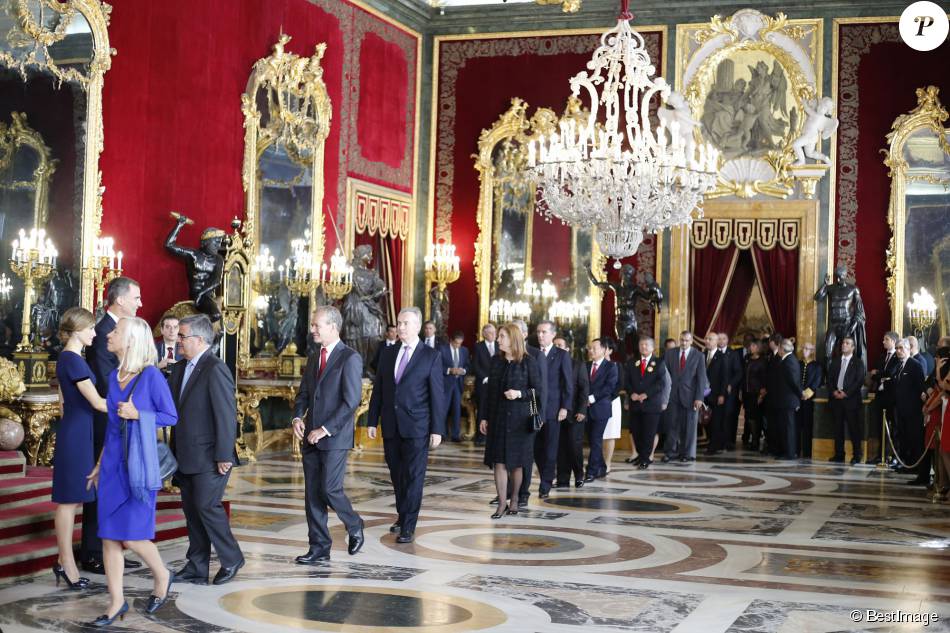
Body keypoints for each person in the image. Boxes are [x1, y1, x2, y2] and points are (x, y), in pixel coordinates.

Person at [84, 317, 177, 625]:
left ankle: (162, 575)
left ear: (132, 340)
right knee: (109, 538)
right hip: (112, 467)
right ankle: (116, 602)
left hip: (139, 466)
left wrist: (140, 414)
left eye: (116, 331)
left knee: (135, 536)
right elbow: (112, 428)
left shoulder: (151, 376)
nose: (109, 334)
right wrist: (99, 465)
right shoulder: (113, 376)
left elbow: (170, 416)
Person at [168, 314, 244, 586]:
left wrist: (224, 454)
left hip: (211, 456)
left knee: (206, 506)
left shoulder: (215, 368)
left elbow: (226, 414)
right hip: (185, 454)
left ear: (199, 340)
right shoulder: (179, 368)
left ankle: (232, 558)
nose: (178, 341)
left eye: (182, 336)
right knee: (192, 510)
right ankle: (197, 565)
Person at [292, 307, 365, 563]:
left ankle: (354, 524)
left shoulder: (350, 358)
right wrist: (298, 417)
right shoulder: (314, 358)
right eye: (312, 325)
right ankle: (319, 547)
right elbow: (303, 394)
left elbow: (351, 401)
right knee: (312, 493)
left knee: (330, 489)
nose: (312, 330)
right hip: (309, 437)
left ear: (333, 327)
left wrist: (324, 430)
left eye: (316, 325)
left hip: (334, 438)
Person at [366, 307, 445, 544]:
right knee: (397, 475)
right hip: (391, 425)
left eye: (405, 323)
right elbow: (379, 389)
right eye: (399, 323)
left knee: (413, 476)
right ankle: (402, 515)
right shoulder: (388, 354)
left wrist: (437, 429)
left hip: (417, 427)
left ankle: (408, 525)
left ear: (417, 326)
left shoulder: (431, 356)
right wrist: (372, 420)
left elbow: (437, 396)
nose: (400, 327)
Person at [81, 277, 143, 575]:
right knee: (100, 486)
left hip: (121, 418)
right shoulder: (103, 332)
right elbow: (109, 382)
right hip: (106, 420)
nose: (139, 303)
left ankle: (113, 549)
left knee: (115, 487)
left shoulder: (124, 330)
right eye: (136, 297)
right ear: (119, 300)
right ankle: (93, 551)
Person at [51, 308, 108, 590]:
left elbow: (63, 404)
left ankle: (64, 561)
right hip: (77, 432)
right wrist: (133, 407)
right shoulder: (72, 360)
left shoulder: (69, 358)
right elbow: (98, 403)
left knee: (73, 499)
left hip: (76, 429)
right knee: (69, 500)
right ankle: (67, 564)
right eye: (91, 329)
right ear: (77, 331)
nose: (94, 334)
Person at [479, 323, 542, 517]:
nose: (498, 340)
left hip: (520, 421)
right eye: (498, 337)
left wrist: (519, 394)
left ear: (513, 339)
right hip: (498, 418)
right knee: (499, 462)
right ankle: (501, 503)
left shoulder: (528, 362)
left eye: (502, 337)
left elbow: (537, 392)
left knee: (516, 463)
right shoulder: (495, 361)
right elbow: (488, 393)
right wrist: (483, 417)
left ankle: (514, 499)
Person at [534, 321, 572, 497]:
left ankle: (545, 484)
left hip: (553, 409)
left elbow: (567, 384)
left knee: (550, 448)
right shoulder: (532, 353)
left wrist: (565, 406)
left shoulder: (562, 355)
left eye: (544, 332)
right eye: (538, 332)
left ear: (552, 335)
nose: (540, 335)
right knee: (536, 449)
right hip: (533, 409)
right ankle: (544, 476)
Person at [662, 331, 707, 462]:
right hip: (673, 396)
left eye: (687, 340)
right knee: (672, 425)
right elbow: (665, 376)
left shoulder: (698, 356)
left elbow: (701, 378)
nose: (684, 343)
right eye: (682, 340)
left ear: (692, 341)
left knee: (689, 427)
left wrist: (699, 397)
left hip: (691, 397)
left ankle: (686, 454)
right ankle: (670, 452)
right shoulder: (670, 354)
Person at [626, 336, 669, 470]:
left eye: (646, 345)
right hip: (635, 404)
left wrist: (646, 394)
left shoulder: (659, 362)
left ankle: (645, 458)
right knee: (637, 432)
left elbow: (661, 383)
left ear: (652, 347)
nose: (643, 347)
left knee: (649, 433)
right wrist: (631, 393)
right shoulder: (632, 362)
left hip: (651, 404)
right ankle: (640, 455)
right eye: (641, 344)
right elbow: (626, 381)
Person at [555, 338, 588, 488]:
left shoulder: (578, 365)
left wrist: (582, 410)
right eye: (555, 345)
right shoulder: (550, 364)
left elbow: (584, 389)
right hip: (555, 413)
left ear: (567, 349)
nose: (557, 348)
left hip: (574, 413)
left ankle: (579, 474)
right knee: (560, 447)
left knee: (574, 446)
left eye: (560, 345)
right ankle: (563, 478)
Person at [829, 336, 867, 464]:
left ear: (853, 347)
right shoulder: (835, 362)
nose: (844, 345)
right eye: (843, 343)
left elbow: (859, 380)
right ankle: (839, 454)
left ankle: (857, 455)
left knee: (853, 429)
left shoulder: (858, 362)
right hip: (836, 400)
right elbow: (829, 379)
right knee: (837, 428)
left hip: (851, 400)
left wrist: (846, 393)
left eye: (847, 343)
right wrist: (834, 391)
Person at [584, 338, 618, 481]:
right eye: (590, 348)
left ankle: (591, 472)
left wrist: (591, 398)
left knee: (596, 439)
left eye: (594, 348)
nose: (591, 351)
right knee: (592, 441)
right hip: (585, 409)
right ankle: (602, 467)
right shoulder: (585, 365)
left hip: (601, 408)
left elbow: (609, 388)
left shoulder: (611, 366)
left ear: (604, 350)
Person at [764, 338, 802, 460]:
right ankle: (783, 450)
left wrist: (800, 395)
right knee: (783, 427)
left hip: (789, 401)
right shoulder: (784, 360)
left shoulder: (790, 361)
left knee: (788, 428)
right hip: (782, 401)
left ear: (782, 349)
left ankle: (790, 453)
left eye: (779, 348)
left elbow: (794, 382)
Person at [893, 338, 925, 473]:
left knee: (913, 439)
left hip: (912, 411)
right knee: (904, 438)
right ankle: (906, 464)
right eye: (897, 348)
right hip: (901, 410)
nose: (898, 351)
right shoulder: (899, 365)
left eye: (901, 348)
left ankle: (914, 466)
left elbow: (920, 387)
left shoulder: (915, 365)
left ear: (908, 348)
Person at [868, 331, 901, 465]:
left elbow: (890, 373)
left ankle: (894, 455)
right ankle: (880, 455)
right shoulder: (882, 357)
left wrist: (880, 374)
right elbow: (874, 375)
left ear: (893, 341)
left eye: (886, 339)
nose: (883, 342)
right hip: (880, 395)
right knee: (880, 426)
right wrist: (881, 375)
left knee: (894, 428)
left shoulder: (897, 357)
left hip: (891, 397)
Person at [440, 331, 470, 442]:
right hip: (446, 384)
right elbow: (437, 365)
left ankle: (455, 435)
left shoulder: (464, 350)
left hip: (458, 384)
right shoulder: (442, 349)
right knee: (443, 409)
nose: (458, 345)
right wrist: (449, 370)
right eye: (456, 343)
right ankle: (441, 434)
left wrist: (463, 370)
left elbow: (468, 364)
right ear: (451, 341)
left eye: (460, 343)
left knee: (457, 410)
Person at [704, 333, 730, 454]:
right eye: (706, 339)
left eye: (710, 339)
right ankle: (710, 442)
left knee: (716, 421)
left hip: (716, 394)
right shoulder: (702, 355)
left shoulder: (722, 357)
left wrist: (722, 395)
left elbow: (725, 378)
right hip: (703, 395)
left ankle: (713, 446)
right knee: (706, 420)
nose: (707, 341)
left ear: (716, 342)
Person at [472, 323, 498, 445]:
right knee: (482, 409)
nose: (494, 335)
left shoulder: (499, 345)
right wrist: (485, 377)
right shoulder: (478, 346)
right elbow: (475, 365)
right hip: (483, 383)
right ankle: (480, 436)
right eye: (490, 332)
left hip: (497, 384)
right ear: (484, 334)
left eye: (494, 332)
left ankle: (492, 436)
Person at [796, 342, 823, 459]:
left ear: (812, 351)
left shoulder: (817, 366)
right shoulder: (798, 364)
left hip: (809, 400)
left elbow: (817, 382)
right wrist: (799, 392)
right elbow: (795, 379)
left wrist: (807, 393)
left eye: (807, 349)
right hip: (797, 398)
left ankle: (807, 452)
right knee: (796, 425)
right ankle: (796, 449)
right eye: (803, 348)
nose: (804, 350)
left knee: (807, 426)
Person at [601, 337, 623, 474]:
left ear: (609, 350)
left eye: (603, 347)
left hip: (611, 401)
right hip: (595, 403)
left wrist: (606, 397)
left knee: (609, 433)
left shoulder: (616, 365)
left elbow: (620, 384)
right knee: (597, 434)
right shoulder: (590, 365)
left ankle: (607, 463)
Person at [741, 340, 767, 451]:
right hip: (747, 393)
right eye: (750, 345)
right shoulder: (747, 358)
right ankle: (753, 440)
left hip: (756, 394)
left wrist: (761, 395)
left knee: (755, 418)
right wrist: (741, 391)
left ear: (758, 347)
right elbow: (743, 376)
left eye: (752, 345)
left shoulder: (763, 361)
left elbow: (765, 380)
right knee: (748, 417)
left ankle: (756, 441)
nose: (750, 347)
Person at [719, 333, 743, 450]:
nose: (721, 341)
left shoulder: (733, 354)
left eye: (724, 338)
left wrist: (731, 384)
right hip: (715, 391)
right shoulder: (714, 353)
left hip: (729, 391)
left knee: (728, 416)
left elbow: (738, 372)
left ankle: (728, 442)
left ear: (727, 340)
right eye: (719, 339)